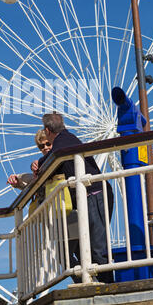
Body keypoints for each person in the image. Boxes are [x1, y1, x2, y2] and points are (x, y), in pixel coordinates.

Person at [31, 113, 114, 284]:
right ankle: (93, 281)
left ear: (47, 130)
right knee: (89, 249)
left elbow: (50, 161)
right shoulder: (68, 139)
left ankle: (107, 286)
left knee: (98, 248)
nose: (46, 147)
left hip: (94, 194)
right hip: (88, 197)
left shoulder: (63, 141)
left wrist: (39, 164)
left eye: (47, 142)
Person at [7, 129, 51, 206]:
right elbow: (32, 180)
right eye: (41, 146)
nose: (45, 147)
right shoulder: (39, 167)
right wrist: (17, 180)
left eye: (48, 144)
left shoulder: (64, 159)